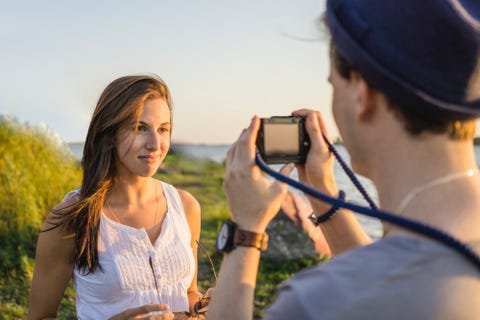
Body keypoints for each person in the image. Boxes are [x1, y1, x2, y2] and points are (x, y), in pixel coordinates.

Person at [207, 0, 480, 319]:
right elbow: (391, 271)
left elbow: (379, 282)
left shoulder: (320, 302)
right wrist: (321, 190)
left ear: (361, 93)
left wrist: (246, 230)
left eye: (333, 85)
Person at [27, 74, 208, 320]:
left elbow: (187, 292)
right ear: (110, 133)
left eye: (163, 129)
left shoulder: (186, 207)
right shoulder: (71, 219)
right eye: (140, 128)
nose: (156, 144)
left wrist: (203, 305)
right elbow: (39, 316)